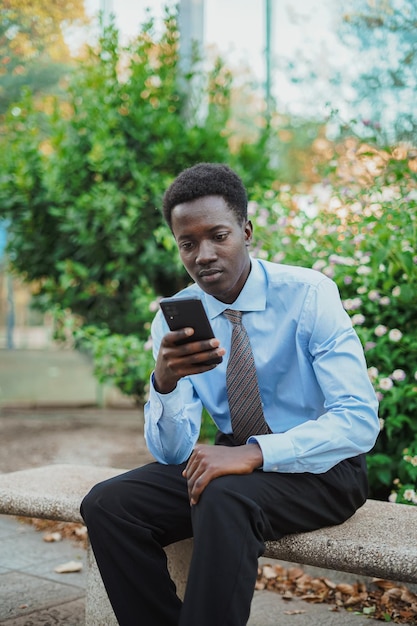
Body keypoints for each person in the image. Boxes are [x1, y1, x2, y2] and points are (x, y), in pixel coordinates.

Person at [81, 163, 379, 626]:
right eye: (188, 243)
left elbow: (358, 421)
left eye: (218, 235)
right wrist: (166, 383)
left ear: (246, 230)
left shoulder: (308, 295)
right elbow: (172, 453)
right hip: (233, 465)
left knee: (223, 496)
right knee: (109, 505)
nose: (203, 254)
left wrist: (257, 453)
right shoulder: (176, 316)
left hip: (326, 468)